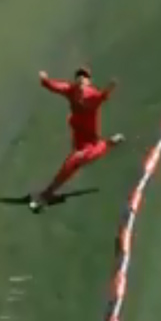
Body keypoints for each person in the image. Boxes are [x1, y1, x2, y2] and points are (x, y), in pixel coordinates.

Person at [29, 67, 125, 213]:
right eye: (79, 76)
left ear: (88, 81)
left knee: (75, 161)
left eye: (85, 76)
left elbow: (102, 96)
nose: (81, 78)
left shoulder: (92, 96)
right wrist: (45, 80)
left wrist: (110, 87)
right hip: (78, 137)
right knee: (75, 164)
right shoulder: (70, 91)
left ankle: (47, 194)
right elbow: (55, 86)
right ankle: (110, 142)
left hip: (90, 141)